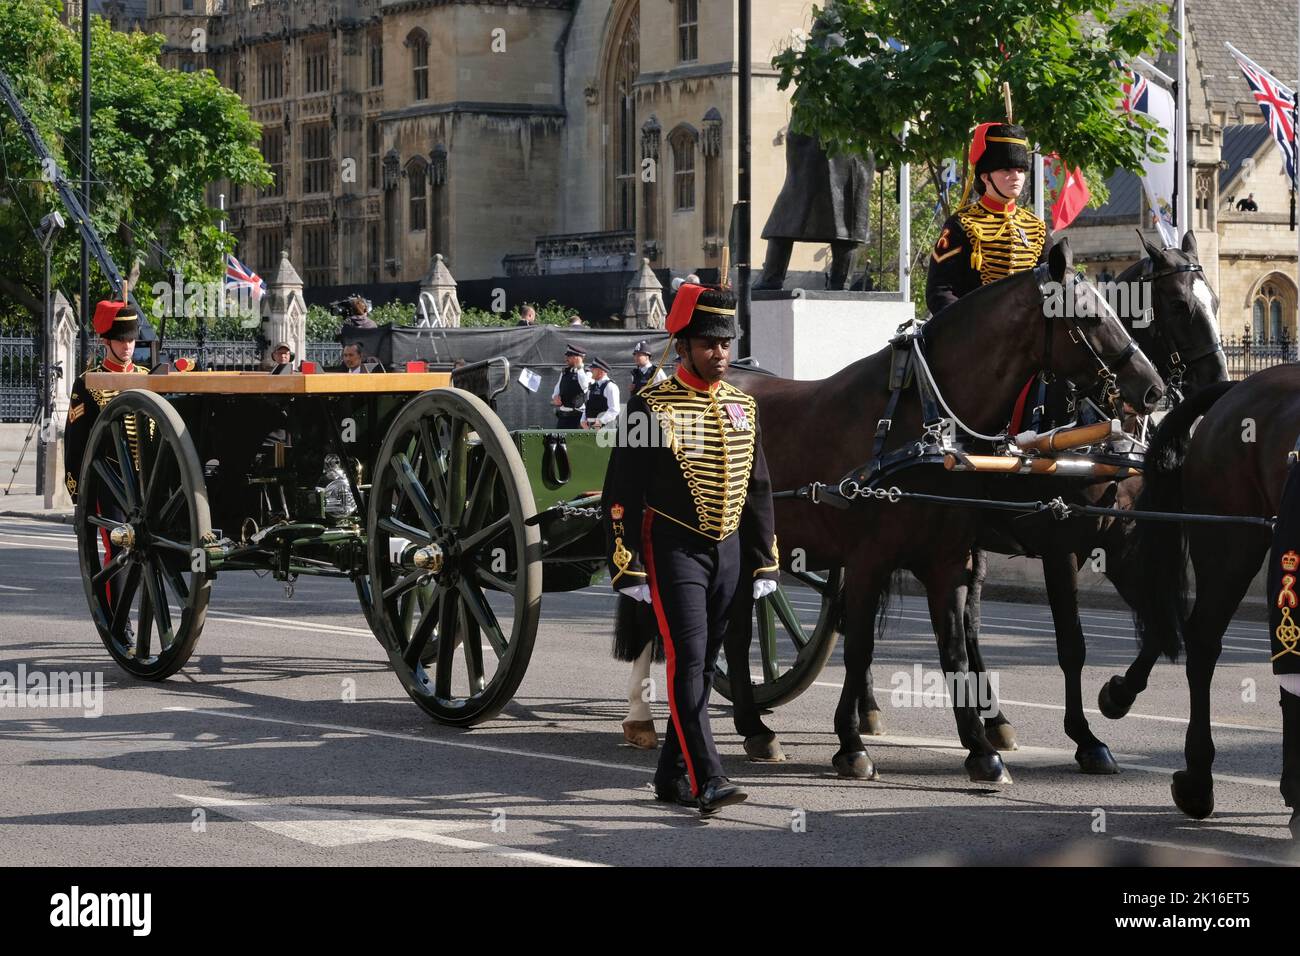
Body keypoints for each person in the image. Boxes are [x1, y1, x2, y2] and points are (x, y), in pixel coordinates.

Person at [602, 283, 780, 816]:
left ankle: (669, 776)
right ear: (683, 346)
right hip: (673, 544)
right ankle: (709, 777)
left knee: (704, 663)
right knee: (686, 659)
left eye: (725, 343)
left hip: (727, 550)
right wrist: (626, 561)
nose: (719, 353)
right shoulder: (648, 406)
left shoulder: (743, 406)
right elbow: (620, 492)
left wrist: (765, 556)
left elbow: (759, 487)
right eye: (707, 344)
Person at [925, 121, 1053, 317]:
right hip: (977, 330)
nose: (1016, 177)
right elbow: (939, 290)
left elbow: (1055, 284)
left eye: (1020, 170)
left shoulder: (1036, 228)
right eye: (1006, 170)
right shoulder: (961, 224)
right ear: (986, 177)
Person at [64, 295, 147, 502]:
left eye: (131, 339)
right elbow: (76, 440)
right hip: (110, 483)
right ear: (106, 341)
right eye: (121, 340)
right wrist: (80, 492)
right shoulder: (87, 383)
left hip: (147, 481)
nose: (127, 346)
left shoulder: (147, 377)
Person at [550, 343, 590, 427]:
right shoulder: (565, 372)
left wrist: (579, 367)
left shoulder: (587, 373)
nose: (566, 359)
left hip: (577, 418)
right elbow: (557, 388)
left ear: (577, 358)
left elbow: (585, 385)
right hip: (563, 417)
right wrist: (555, 397)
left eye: (569, 356)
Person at [582, 357, 621, 429]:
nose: (591, 370)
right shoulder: (592, 386)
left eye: (593, 369)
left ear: (601, 371)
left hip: (605, 428)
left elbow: (614, 410)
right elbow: (588, 406)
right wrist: (583, 420)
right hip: (590, 427)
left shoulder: (610, 386)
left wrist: (600, 421)